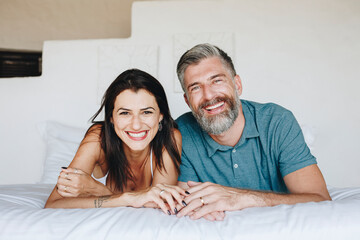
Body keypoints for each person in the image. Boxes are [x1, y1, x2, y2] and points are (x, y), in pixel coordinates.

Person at [175, 43, 331, 221]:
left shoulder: (277, 121)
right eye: (195, 87)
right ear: (187, 101)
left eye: (217, 80)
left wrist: (240, 198)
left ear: (237, 85)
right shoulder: (181, 133)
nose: (209, 96)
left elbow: (319, 200)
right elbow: (184, 203)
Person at [45, 69, 185, 215]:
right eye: (125, 113)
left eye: (147, 112)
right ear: (111, 117)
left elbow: (161, 202)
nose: (136, 125)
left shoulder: (170, 137)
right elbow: (54, 203)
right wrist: (128, 198)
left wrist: (97, 190)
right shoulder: (98, 137)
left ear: (160, 115)